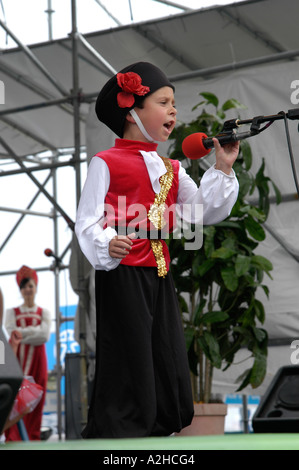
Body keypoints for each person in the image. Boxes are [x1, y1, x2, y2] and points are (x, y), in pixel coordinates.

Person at [75, 62, 239, 438]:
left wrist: (223, 167)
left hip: (159, 270)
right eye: (164, 102)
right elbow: (86, 221)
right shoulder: (106, 162)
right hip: (123, 269)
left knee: (164, 348)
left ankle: (159, 425)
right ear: (132, 111)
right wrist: (106, 243)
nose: (173, 111)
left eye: (173, 103)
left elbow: (199, 211)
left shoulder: (171, 168)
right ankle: (120, 430)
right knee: (128, 350)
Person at [4, 266, 51, 441]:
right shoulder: (11, 312)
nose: (27, 290)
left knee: (36, 403)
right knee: (15, 401)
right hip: (18, 362)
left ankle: (33, 437)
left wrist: (22, 332)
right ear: (20, 290)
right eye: (24, 287)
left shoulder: (44, 312)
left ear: (36, 287)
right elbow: (11, 333)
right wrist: (33, 332)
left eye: (30, 286)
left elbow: (44, 335)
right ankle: (14, 438)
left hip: (38, 362)